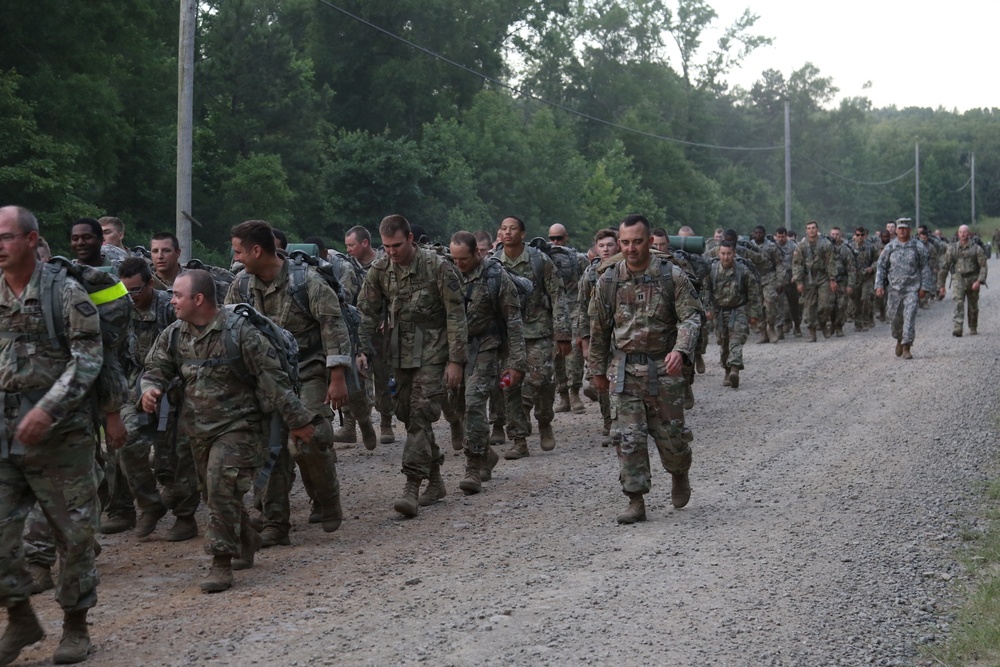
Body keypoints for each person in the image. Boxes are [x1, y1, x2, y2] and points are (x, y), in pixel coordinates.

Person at [142, 270, 317, 592]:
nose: (172, 300)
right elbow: (155, 367)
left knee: (221, 489)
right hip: (197, 429)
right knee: (212, 494)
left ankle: (220, 562)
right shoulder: (173, 334)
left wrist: (298, 421)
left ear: (198, 299)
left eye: (178, 295)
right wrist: (150, 388)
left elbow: (273, 380)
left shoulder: (241, 334)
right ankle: (247, 537)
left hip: (240, 428)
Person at [0, 205, 103, 664]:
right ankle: (20, 615)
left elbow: (88, 360)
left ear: (30, 239)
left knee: (73, 535)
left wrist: (48, 409)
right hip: (4, 434)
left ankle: (75, 626)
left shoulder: (65, 293)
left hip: (61, 437)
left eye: (5, 237)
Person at [228, 220, 362, 546]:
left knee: (308, 440)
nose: (236, 258)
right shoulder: (241, 287)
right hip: (264, 380)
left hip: (308, 371)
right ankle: (276, 524)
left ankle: (328, 498)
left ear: (257, 250)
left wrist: (337, 379)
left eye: (238, 251)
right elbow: (229, 330)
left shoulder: (307, 283)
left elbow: (334, 329)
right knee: (268, 449)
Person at [589, 214, 701, 524]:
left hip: (664, 369)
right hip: (625, 370)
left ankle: (679, 472)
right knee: (628, 439)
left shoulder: (671, 277)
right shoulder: (609, 280)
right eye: (624, 242)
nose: (630, 248)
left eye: (637, 242)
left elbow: (690, 318)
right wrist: (597, 370)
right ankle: (635, 500)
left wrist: (681, 350)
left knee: (672, 438)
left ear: (650, 241)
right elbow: (598, 329)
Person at [357, 215, 468, 517]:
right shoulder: (379, 270)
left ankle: (411, 485)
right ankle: (435, 480)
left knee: (420, 413)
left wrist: (456, 360)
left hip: (434, 349)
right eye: (386, 246)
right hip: (400, 352)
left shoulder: (438, 267)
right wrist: (360, 350)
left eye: (396, 245)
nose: (391, 252)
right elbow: (366, 313)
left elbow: (456, 315)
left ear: (410, 238)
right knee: (407, 414)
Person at [116, 257, 201, 542]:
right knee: (125, 438)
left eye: (136, 290)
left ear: (150, 284)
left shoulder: (172, 307)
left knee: (179, 449)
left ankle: (185, 516)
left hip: (179, 385)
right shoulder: (119, 309)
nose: (130, 296)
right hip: (137, 384)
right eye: (125, 290)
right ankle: (150, 504)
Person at [442, 232, 526, 493]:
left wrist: (517, 363)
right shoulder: (445, 273)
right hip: (453, 348)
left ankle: (473, 464)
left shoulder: (495, 277)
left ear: (477, 253)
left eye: (463, 259)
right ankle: (486, 453)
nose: (459, 264)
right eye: (454, 259)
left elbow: (513, 320)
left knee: (475, 401)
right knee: (455, 404)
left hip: (486, 345)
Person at [495, 216, 571, 458]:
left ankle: (544, 420)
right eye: (504, 229)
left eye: (513, 229)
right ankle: (519, 439)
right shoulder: (493, 263)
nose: (508, 233)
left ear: (523, 233)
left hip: (538, 330)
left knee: (542, 381)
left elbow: (558, 295)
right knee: (509, 386)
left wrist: (562, 332)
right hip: (508, 335)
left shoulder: (539, 260)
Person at [345, 225, 394, 444]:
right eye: (346, 246)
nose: (348, 250)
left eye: (351, 245)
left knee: (383, 377)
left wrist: (391, 316)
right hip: (359, 329)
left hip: (383, 331)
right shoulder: (348, 268)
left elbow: (396, 294)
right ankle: (354, 423)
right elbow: (345, 299)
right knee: (357, 378)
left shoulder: (386, 264)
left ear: (364, 243)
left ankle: (385, 423)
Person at [575, 228, 619, 445]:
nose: (605, 249)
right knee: (601, 379)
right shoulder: (590, 274)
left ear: (617, 245)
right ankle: (609, 421)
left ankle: (624, 421)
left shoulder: (625, 269)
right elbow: (582, 308)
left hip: (622, 335)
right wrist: (584, 341)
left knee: (622, 379)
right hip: (598, 335)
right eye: (601, 246)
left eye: (610, 245)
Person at [705, 241, 761, 388]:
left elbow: (754, 293)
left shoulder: (743, 270)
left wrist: (754, 314)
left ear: (734, 254)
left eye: (729, 253)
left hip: (739, 309)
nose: (726, 257)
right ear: (719, 254)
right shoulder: (712, 270)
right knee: (723, 343)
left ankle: (735, 369)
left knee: (736, 340)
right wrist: (707, 310)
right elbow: (705, 291)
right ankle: (727, 370)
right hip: (719, 310)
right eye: (723, 254)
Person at [875, 218, 933, 359]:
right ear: (896, 230)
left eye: (905, 228)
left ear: (909, 230)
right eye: (900, 228)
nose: (902, 230)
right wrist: (879, 285)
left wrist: (924, 287)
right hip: (894, 290)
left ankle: (907, 346)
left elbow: (925, 268)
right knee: (895, 319)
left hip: (911, 289)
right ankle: (899, 339)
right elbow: (881, 267)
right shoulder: (890, 247)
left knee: (909, 317)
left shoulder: (918, 247)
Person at [547, 223, 587, 414]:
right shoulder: (544, 258)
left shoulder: (578, 259)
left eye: (559, 238)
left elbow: (588, 282)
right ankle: (562, 394)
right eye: (552, 238)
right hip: (553, 312)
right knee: (557, 355)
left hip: (574, 308)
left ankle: (574, 392)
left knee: (574, 354)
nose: (555, 242)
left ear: (566, 237)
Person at [937, 224, 988, 336]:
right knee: (958, 303)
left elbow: (983, 265)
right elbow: (945, 267)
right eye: (961, 232)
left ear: (968, 233)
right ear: (958, 233)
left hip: (973, 279)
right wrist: (941, 285)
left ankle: (973, 326)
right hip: (958, 279)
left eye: (965, 232)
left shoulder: (976, 248)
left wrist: (979, 281)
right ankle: (957, 327)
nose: (963, 234)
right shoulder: (952, 248)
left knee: (973, 305)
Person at [792, 221, 836, 342]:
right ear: (806, 230)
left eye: (813, 228)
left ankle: (822, 323)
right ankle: (812, 332)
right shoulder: (801, 246)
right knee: (809, 306)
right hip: (808, 278)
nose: (811, 230)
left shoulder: (826, 244)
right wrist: (799, 282)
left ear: (817, 229)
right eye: (809, 228)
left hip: (823, 277)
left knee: (826, 304)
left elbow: (830, 262)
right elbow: (797, 264)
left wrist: (832, 279)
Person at [748, 225, 783, 343]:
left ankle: (771, 327)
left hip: (769, 277)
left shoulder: (772, 246)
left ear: (764, 234)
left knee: (770, 302)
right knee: (758, 307)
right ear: (753, 234)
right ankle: (763, 332)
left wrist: (780, 281)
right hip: (754, 279)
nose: (758, 235)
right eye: (756, 233)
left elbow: (779, 263)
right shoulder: (749, 246)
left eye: (760, 233)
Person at [827, 227, 856, 337]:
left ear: (841, 235)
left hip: (842, 281)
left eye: (837, 234)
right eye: (833, 234)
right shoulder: (826, 249)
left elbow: (851, 269)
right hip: (828, 281)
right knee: (829, 305)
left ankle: (839, 326)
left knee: (841, 305)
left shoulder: (846, 250)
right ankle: (831, 324)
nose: (835, 236)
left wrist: (850, 284)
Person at [773, 227, 800, 337]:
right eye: (778, 237)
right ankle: (780, 327)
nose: (780, 239)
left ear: (786, 236)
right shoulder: (773, 246)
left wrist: (796, 275)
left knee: (793, 303)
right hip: (778, 278)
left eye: (782, 237)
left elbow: (798, 262)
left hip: (790, 277)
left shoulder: (793, 246)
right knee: (779, 303)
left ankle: (797, 325)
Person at [850, 227, 878, 331]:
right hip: (855, 278)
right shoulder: (850, 246)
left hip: (867, 277)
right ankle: (858, 322)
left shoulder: (871, 247)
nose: (860, 237)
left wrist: (872, 267)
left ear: (865, 235)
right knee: (856, 302)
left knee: (865, 298)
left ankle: (866, 321)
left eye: (862, 235)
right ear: (855, 235)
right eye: (858, 235)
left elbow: (878, 260)